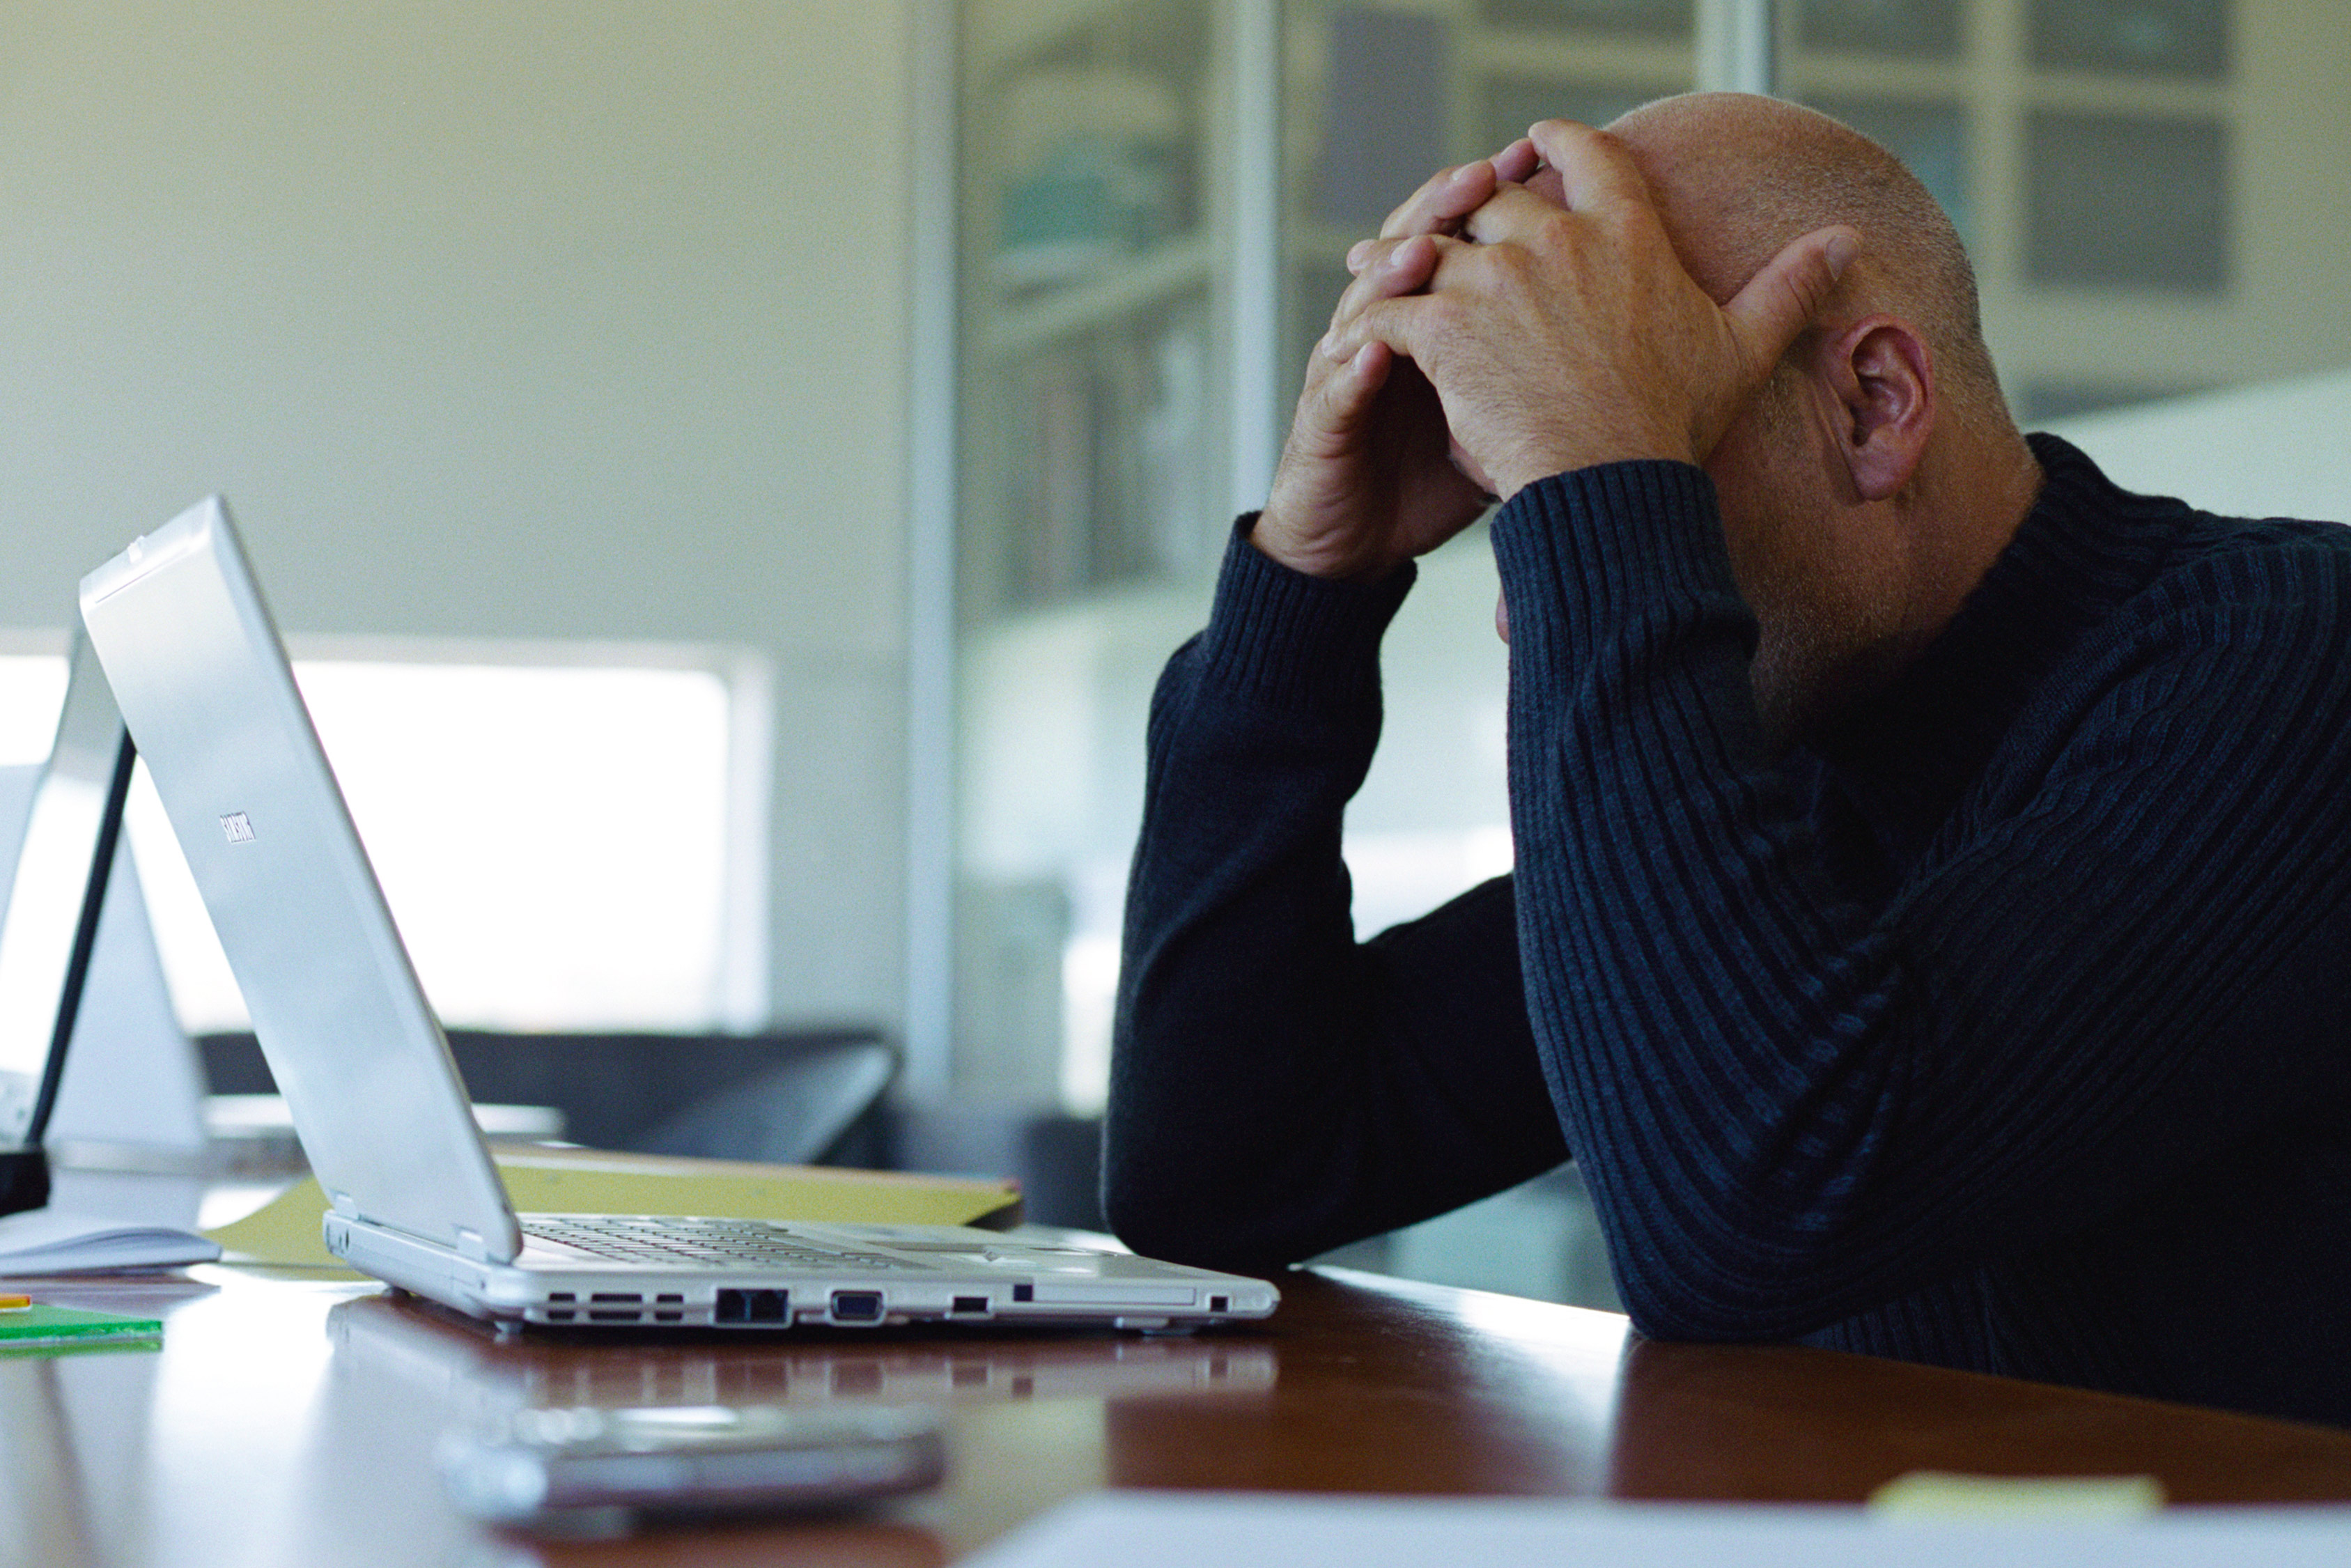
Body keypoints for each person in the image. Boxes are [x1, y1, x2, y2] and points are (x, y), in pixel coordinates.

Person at [1102, 91, 2351, 1427]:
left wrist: (1600, 495)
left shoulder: (2293, 660)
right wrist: (1311, 583)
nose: (1534, 596)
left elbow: (1751, 1223)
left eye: (1626, 447)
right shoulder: (1810, 752)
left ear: (1875, 406)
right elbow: (1219, 1174)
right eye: (1506, 494)